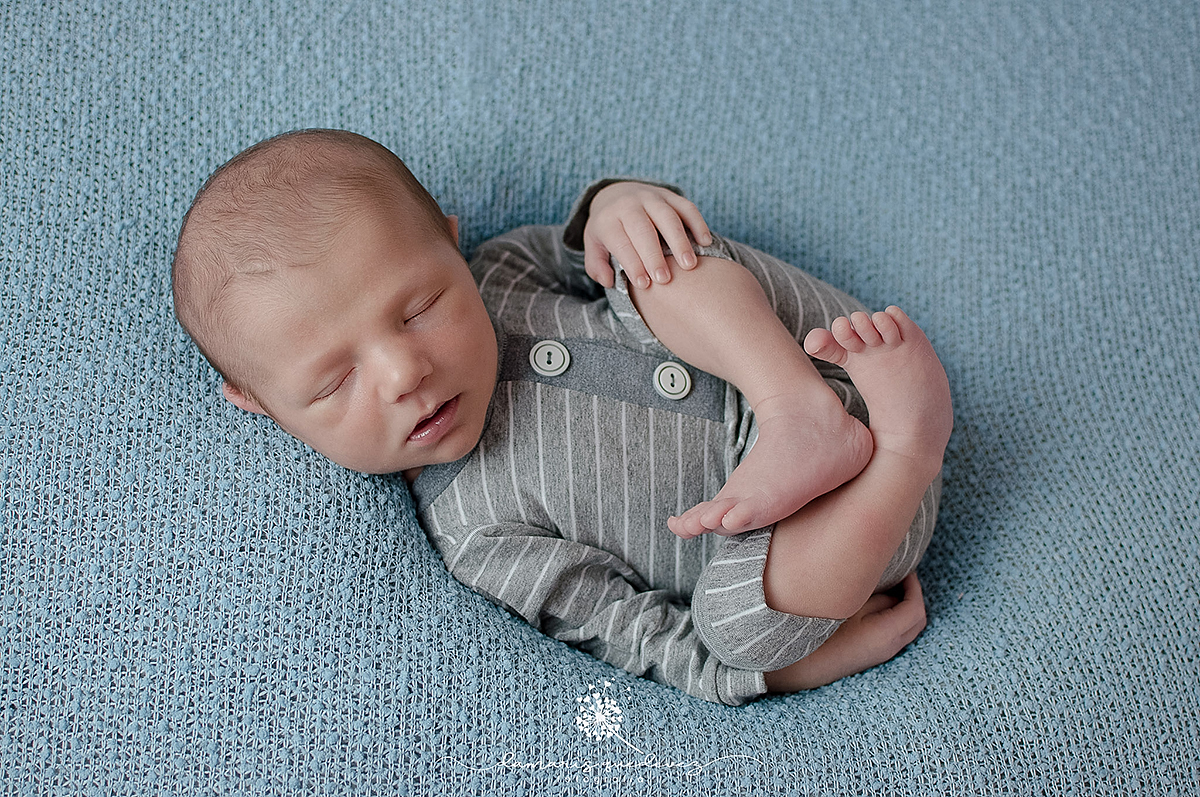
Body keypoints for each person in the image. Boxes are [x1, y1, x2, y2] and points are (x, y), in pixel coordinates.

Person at [172, 128, 952, 705]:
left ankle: (795, 409)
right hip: (843, 530)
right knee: (730, 629)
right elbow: (635, 632)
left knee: (648, 262)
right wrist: (786, 667)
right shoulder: (479, 537)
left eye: (418, 308)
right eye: (336, 379)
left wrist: (617, 203)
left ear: (451, 243)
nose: (404, 371)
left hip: (814, 349)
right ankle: (912, 444)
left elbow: (594, 248)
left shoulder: (503, 268)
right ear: (261, 404)